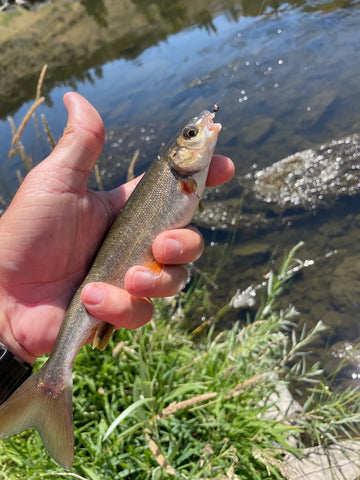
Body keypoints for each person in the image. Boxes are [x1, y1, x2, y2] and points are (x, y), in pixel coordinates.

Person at [0, 92, 234, 365]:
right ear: (176, 154)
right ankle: (56, 371)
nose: (201, 128)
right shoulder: (183, 178)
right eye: (192, 133)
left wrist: (9, 332)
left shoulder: (186, 177)